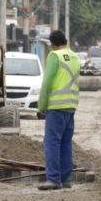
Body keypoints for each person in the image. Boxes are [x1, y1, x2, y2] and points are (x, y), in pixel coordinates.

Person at [37, 30, 80, 191]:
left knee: (52, 142)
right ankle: (66, 178)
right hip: (71, 105)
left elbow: (47, 82)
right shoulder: (74, 57)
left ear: (52, 44)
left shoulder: (55, 56)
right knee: (65, 142)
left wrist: (41, 106)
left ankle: (53, 179)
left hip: (56, 106)